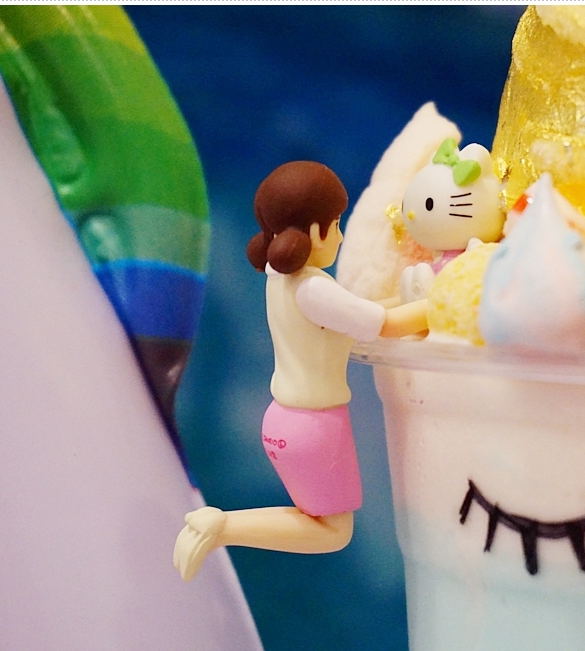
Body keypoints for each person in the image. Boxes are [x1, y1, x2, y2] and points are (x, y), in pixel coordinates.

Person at [174, 161, 427, 581]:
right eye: (335, 225)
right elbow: (387, 325)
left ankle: (222, 525)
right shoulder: (314, 289)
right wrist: (445, 300)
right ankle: (223, 526)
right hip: (314, 427)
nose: (340, 236)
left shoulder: (283, 279)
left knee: (319, 521)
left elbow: (367, 315)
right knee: (333, 531)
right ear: (313, 231)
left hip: (286, 421)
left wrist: (410, 298)